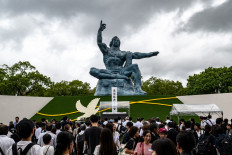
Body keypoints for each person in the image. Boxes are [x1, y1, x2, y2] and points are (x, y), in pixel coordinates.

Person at [89, 20, 159, 95]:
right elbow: (99, 43)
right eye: (115, 40)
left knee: (134, 64)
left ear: (119, 43)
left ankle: (138, 88)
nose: (116, 41)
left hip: (122, 72)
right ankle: (113, 76)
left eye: (118, 40)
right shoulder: (107, 51)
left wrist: (149, 54)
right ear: (111, 42)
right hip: (109, 71)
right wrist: (100, 30)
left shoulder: (123, 53)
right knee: (92, 70)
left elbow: (136, 55)